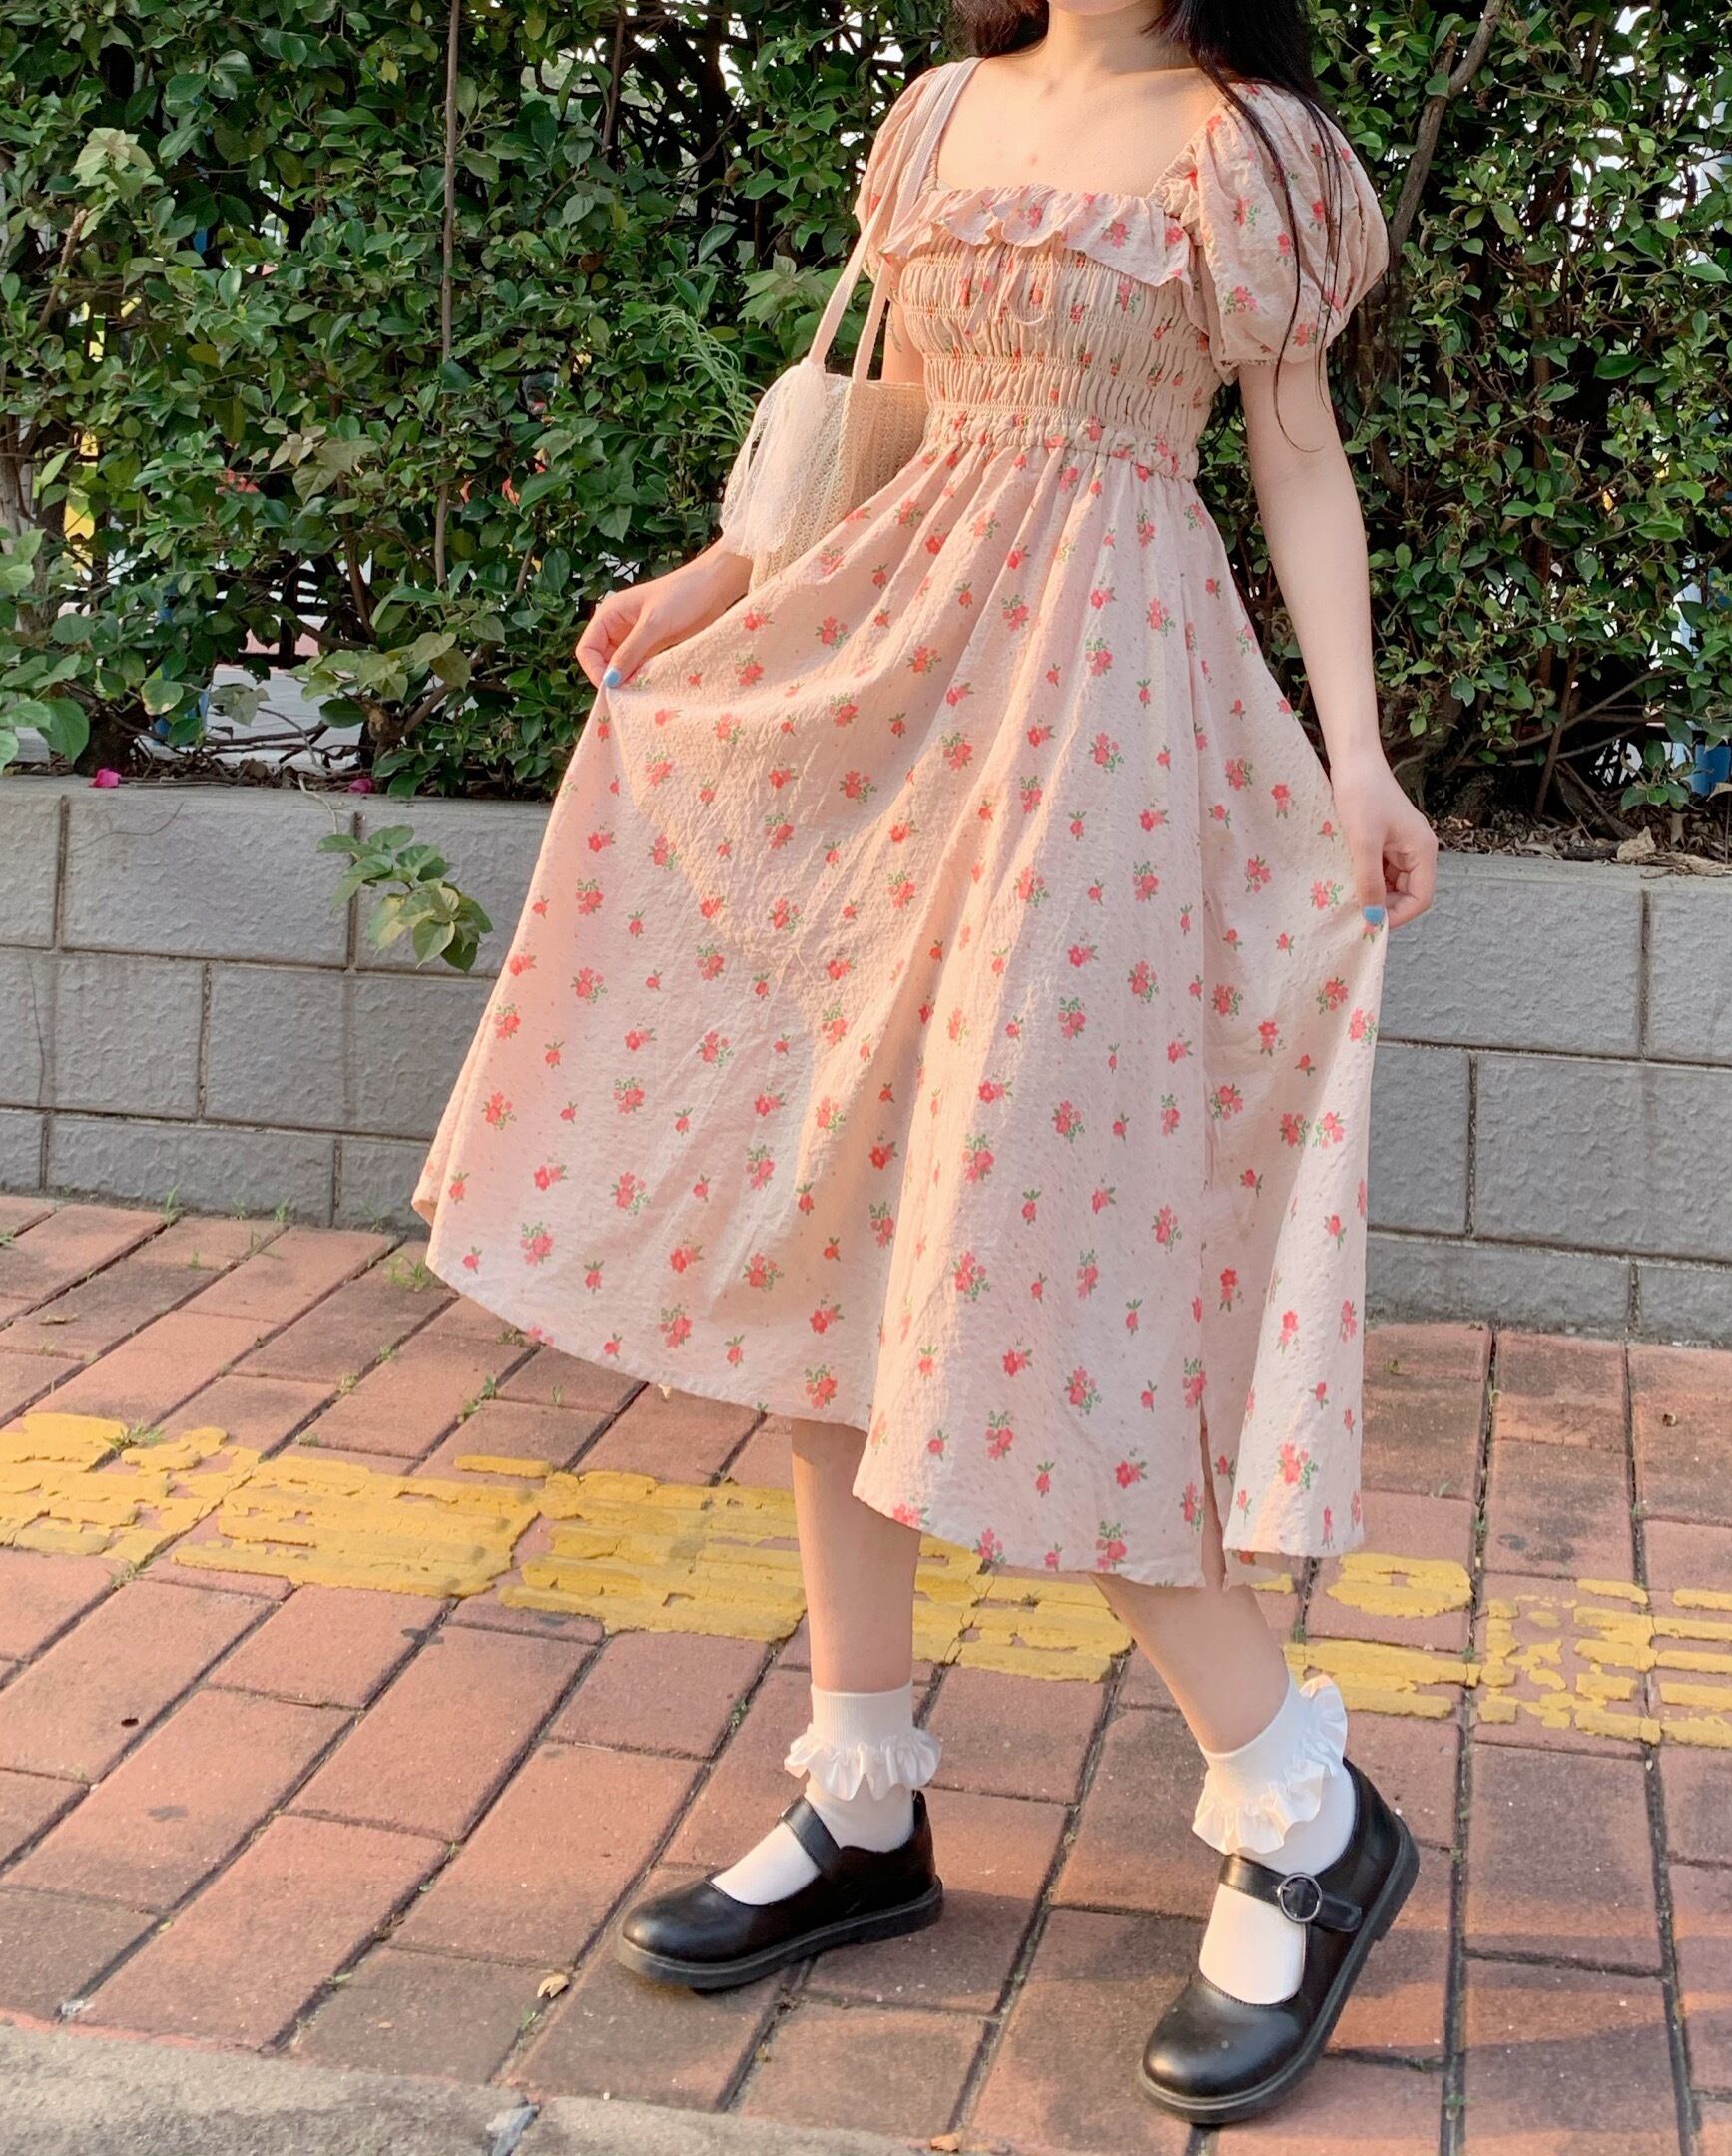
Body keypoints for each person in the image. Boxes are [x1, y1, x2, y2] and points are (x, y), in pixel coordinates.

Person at [413, 0, 1437, 2124]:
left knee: (1039, 1268)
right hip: (889, 691)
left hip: (1107, 725)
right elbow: (872, 410)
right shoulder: (938, 114)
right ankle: (864, 1792)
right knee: (835, 1240)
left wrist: (1356, 754)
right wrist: (717, 574)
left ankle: (1302, 1806)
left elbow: (1297, 455)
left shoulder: (1248, 147)